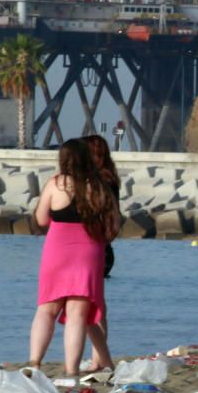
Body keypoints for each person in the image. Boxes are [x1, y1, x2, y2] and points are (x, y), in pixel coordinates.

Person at [29, 139, 120, 376]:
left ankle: (34, 363)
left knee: (46, 309)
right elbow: (113, 228)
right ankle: (71, 372)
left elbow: (40, 220)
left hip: (57, 250)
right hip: (89, 252)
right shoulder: (100, 186)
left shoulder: (55, 183)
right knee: (78, 314)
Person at [83, 134, 121, 372]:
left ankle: (99, 357)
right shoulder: (111, 179)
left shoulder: (95, 182)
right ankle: (98, 355)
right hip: (105, 247)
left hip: (94, 245)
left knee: (90, 304)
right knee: (97, 303)